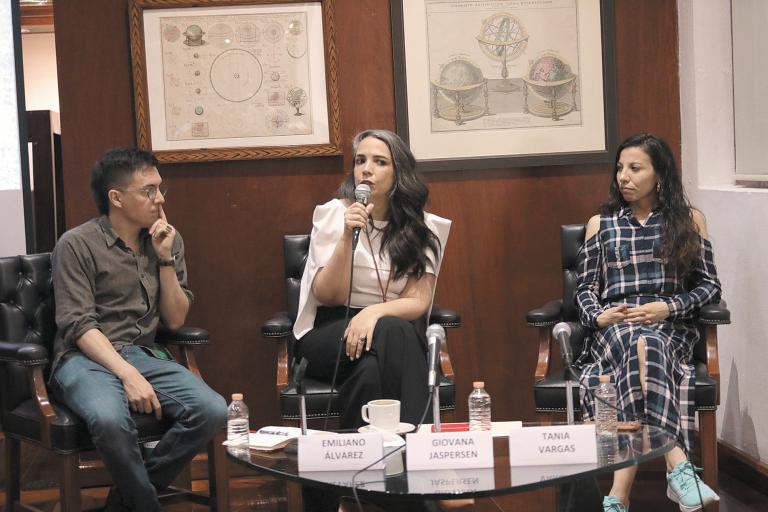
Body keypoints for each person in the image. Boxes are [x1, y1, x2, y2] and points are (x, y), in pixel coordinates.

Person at [50, 148, 227, 511]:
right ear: (116, 198)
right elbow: (79, 324)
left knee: (212, 410)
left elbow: (175, 320)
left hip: (143, 353)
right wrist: (126, 374)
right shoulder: (77, 244)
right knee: (111, 420)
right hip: (83, 358)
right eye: (148, 190)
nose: (159, 199)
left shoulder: (167, 240)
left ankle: (124, 504)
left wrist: (164, 258)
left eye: (161, 188)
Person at [573, 134, 722, 512]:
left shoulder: (689, 221)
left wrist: (667, 308)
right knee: (637, 342)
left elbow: (709, 287)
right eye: (620, 168)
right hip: (615, 326)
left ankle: (618, 494)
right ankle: (680, 468)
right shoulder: (601, 224)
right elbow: (586, 289)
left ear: (660, 175)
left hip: (668, 326)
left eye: (635, 168)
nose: (624, 176)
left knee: (647, 347)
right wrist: (598, 314)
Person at [293, 129, 451, 431]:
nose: (366, 169)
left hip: (387, 330)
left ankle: (356, 468)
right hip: (329, 333)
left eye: (380, 162)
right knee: (395, 332)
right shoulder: (333, 214)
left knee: (369, 373)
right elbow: (328, 295)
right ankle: (421, 445)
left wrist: (373, 313)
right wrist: (345, 237)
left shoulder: (423, 228)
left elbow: (419, 300)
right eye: (360, 160)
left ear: (399, 172)